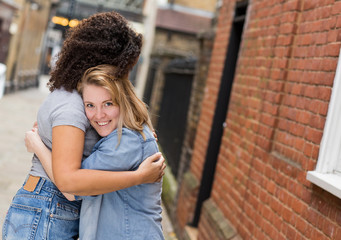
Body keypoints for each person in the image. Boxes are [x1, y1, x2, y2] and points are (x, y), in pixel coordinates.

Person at [2, 11, 165, 240]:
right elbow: (69, 184)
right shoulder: (72, 105)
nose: (124, 75)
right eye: (123, 68)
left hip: (49, 208)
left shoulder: (78, 96)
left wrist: (136, 136)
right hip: (49, 206)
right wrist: (139, 173)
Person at [28, 64, 164, 239]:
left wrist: (36, 143)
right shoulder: (129, 137)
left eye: (108, 104)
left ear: (123, 101)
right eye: (90, 105)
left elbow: (71, 187)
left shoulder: (126, 141)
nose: (99, 115)